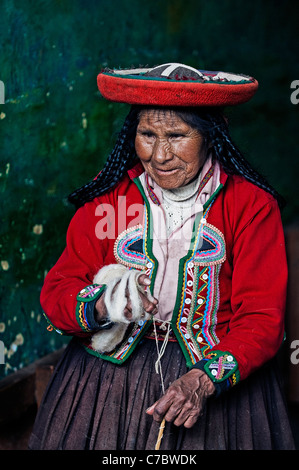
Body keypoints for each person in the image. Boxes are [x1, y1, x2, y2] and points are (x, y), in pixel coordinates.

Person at [29, 63, 295, 450]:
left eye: (177, 135)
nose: (160, 154)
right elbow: (58, 292)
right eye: (147, 135)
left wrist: (203, 381)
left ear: (210, 137)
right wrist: (105, 303)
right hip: (106, 382)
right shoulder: (109, 200)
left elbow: (261, 318)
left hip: (208, 379)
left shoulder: (250, 206)